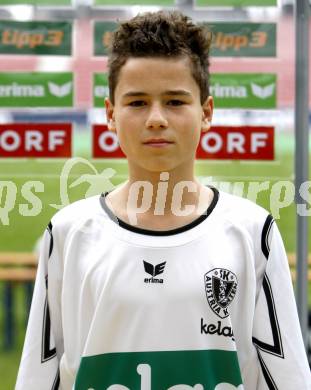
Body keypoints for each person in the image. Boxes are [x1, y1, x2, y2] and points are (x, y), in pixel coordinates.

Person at [16, 10, 310, 390]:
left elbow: (288, 380)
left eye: (174, 101)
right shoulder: (70, 234)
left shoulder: (253, 233)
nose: (156, 118)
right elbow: (40, 377)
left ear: (206, 113)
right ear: (110, 115)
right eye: (137, 103)